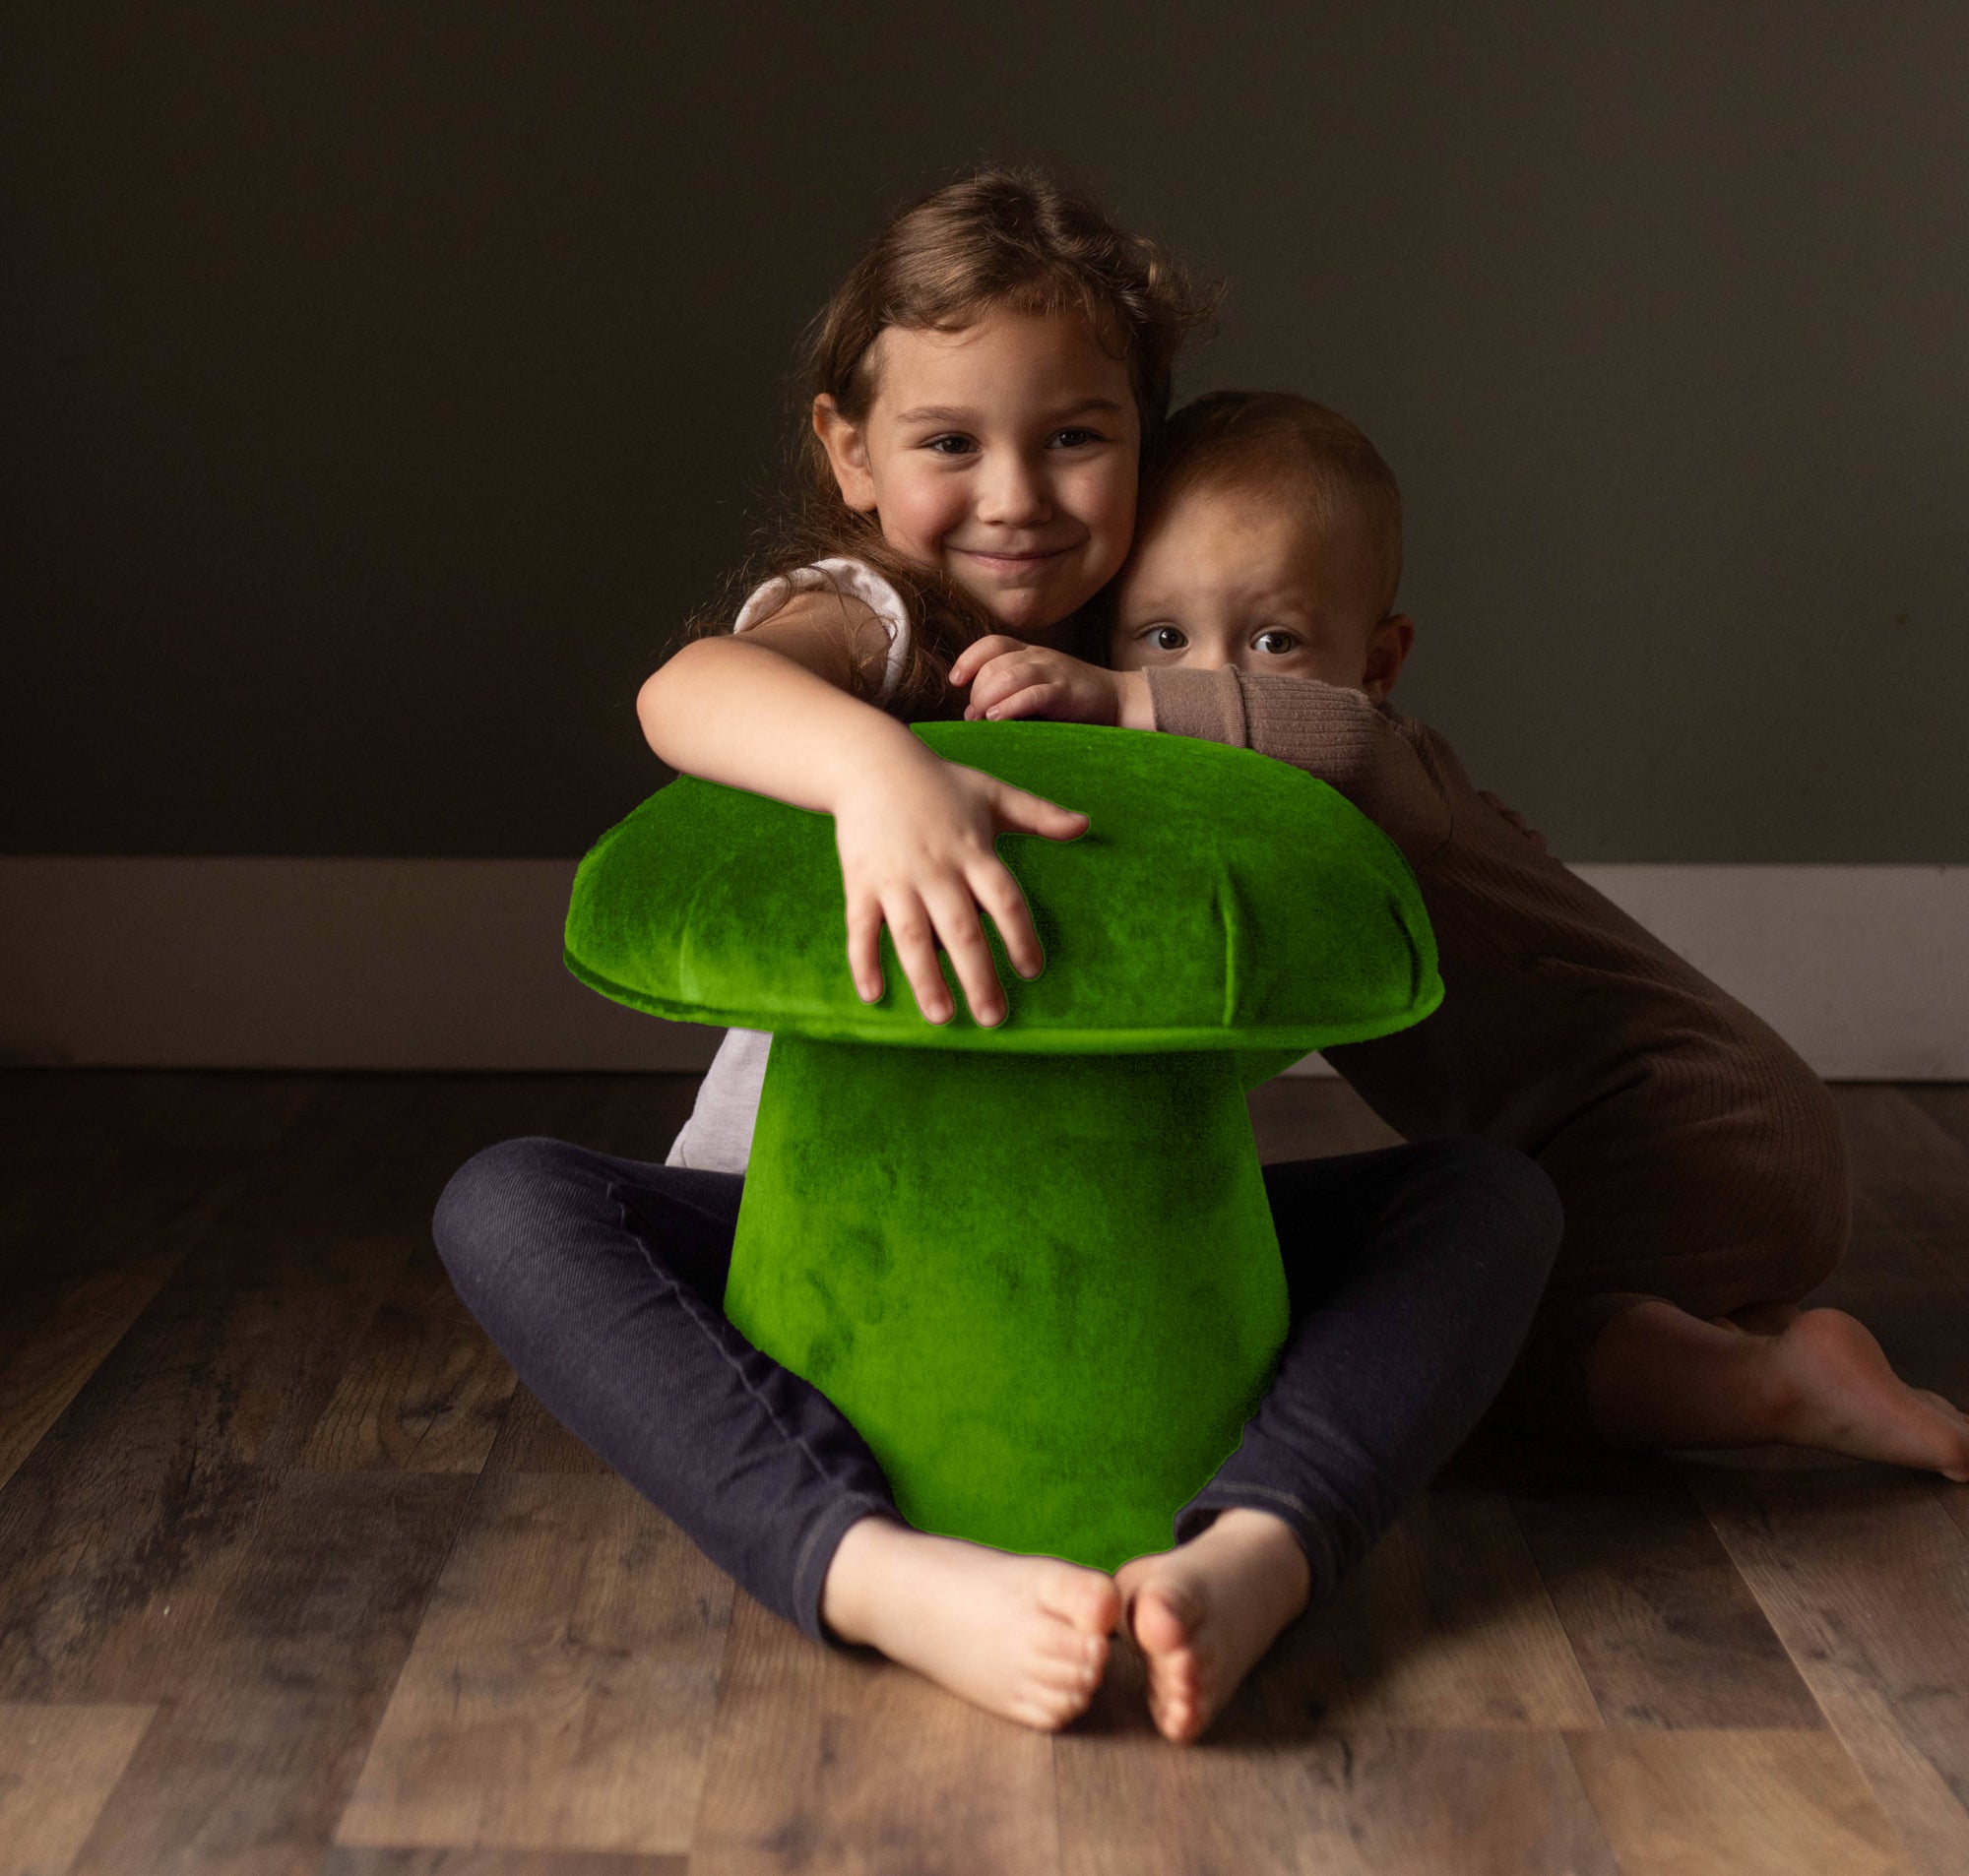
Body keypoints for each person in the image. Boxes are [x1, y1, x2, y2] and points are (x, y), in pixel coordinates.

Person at [434, 170, 1561, 1745]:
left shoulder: (1148, 641)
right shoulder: (879, 615)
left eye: (1076, 437)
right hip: (789, 1216)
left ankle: (1260, 1544)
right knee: (507, 1200)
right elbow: (686, 691)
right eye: (950, 442)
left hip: (1130, 1226)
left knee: (1489, 1200)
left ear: (1144, 443)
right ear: (850, 452)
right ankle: (866, 1565)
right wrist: (877, 770)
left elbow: (1351, 753)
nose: (1016, 494)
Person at [953, 388, 1969, 1480]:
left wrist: (1117, 694)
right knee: (1524, 1298)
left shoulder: (1374, 757)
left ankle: (1768, 1384)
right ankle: (1724, 1330)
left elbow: (1334, 740)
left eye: (1274, 639)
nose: (1202, 677)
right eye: (1161, 635)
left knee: (1440, 1344)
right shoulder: (1331, 808)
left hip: (1688, 1122)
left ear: (1378, 665)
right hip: (1677, 1143)